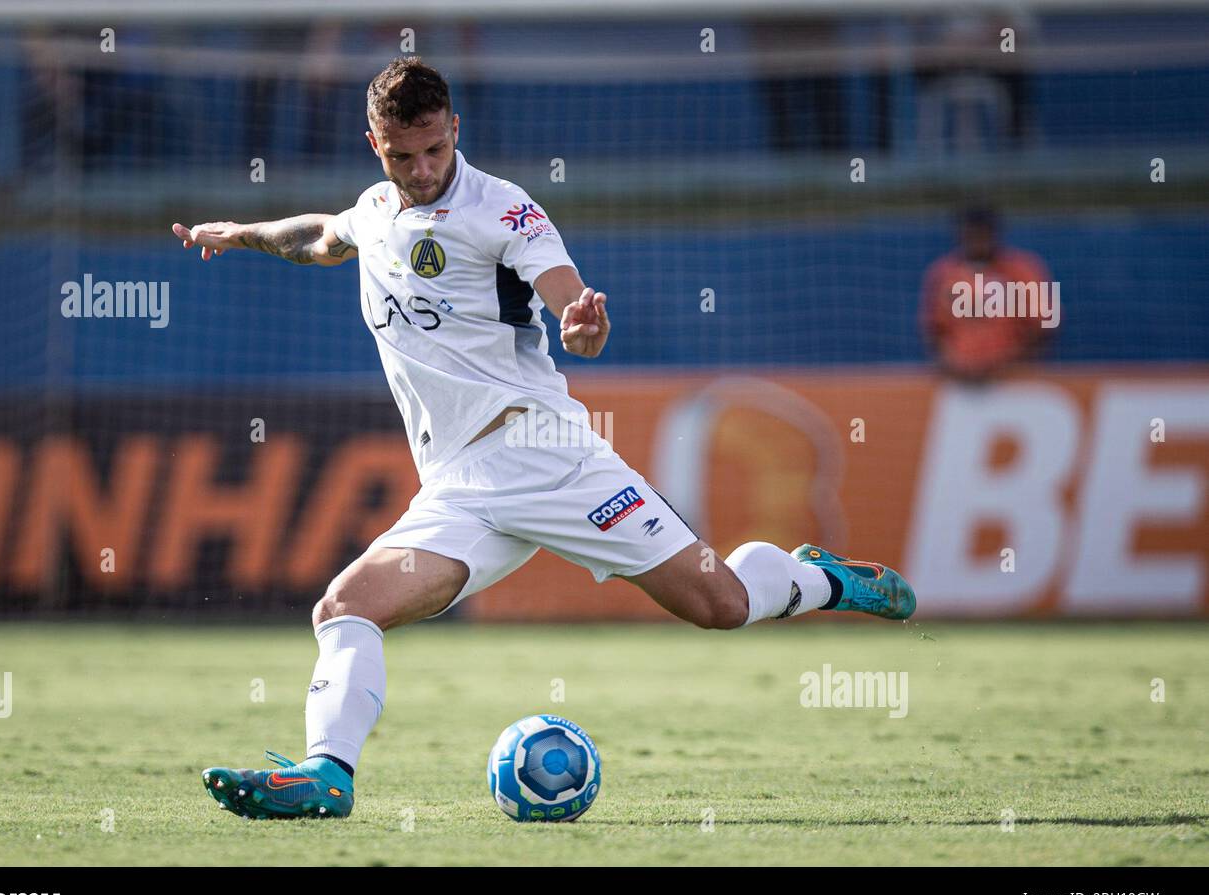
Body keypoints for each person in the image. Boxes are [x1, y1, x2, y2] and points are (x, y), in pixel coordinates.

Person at [172, 57, 916, 821]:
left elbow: (564, 291)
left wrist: (582, 326)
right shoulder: (373, 210)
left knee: (720, 604)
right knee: (343, 608)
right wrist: (238, 232)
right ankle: (327, 776)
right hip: (460, 487)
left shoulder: (506, 210)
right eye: (403, 156)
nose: (423, 170)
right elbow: (322, 237)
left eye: (435, 149)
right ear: (375, 144)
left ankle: (814, 577)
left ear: (456, 129)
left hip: (547, 458)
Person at [920, 206, 1053, 383]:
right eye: (972, 234)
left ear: (995, 234)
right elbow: (934, 330)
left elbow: (1046, 326)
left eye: (983, 234)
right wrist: (951, 364)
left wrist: (1012, 364)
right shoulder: (943, 273)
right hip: (959, 379)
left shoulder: (1024, 269)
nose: (978, 240)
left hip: (1014, 377)